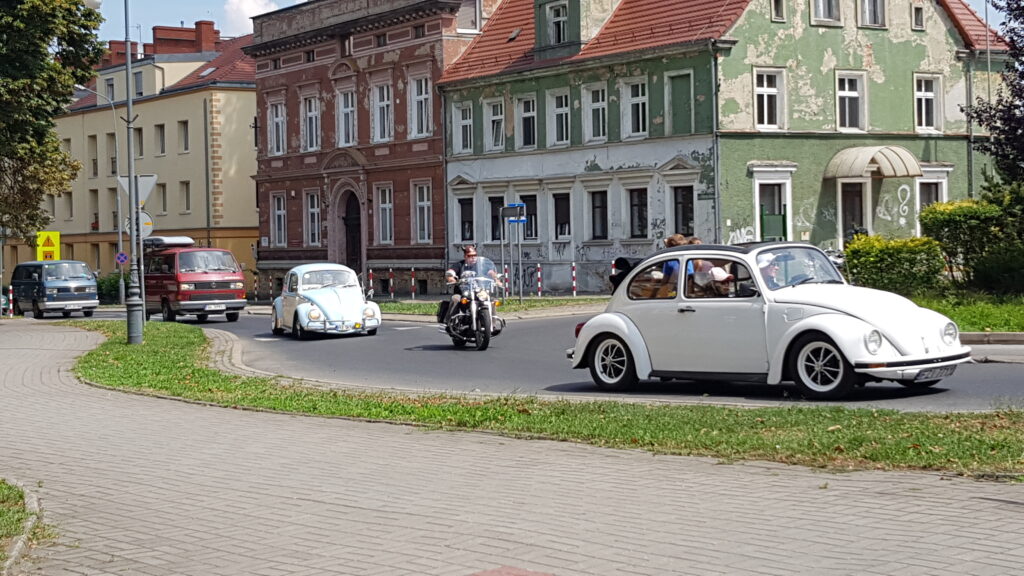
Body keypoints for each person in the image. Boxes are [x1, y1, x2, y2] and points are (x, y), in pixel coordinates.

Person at [441, 245, 498, 327]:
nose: (473, 257)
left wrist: (496, 279)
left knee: (491, 300)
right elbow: (451, 272)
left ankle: (492, 325)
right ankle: (449, 322)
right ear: (465, 256)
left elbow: (490, 272)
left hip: (479, 293)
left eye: (474, 255)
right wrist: (451, 278)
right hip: (463, 293)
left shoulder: (480, 265)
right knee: (455, 299)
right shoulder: (459, 265)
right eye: (470, 256)